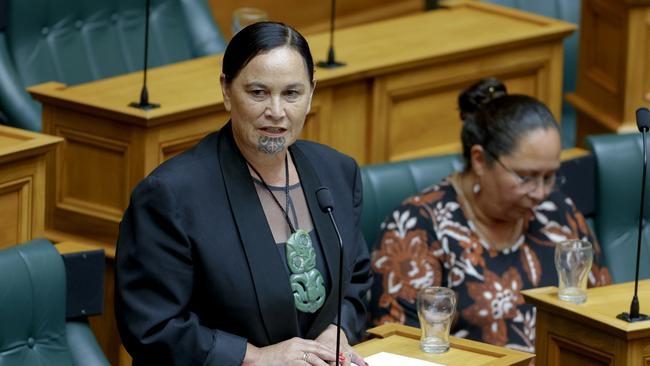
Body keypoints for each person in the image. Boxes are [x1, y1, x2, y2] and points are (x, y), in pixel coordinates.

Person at [115, 22, 372, 366]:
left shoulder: (337, 171)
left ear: (311, 92)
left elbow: (356, 278)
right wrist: (254, 358)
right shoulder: (171, 195)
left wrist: (335, 331)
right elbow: (152, 326)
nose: (277, 112)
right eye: (258, 93)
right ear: (226, 90)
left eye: (292, 93)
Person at [370, 78, 612, 352]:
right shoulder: (418, 228)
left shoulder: (556, 210)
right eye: (527, 177)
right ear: (479, 160)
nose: (541, 192)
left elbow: (604, 311)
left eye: (550, 176)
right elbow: (401, 351)